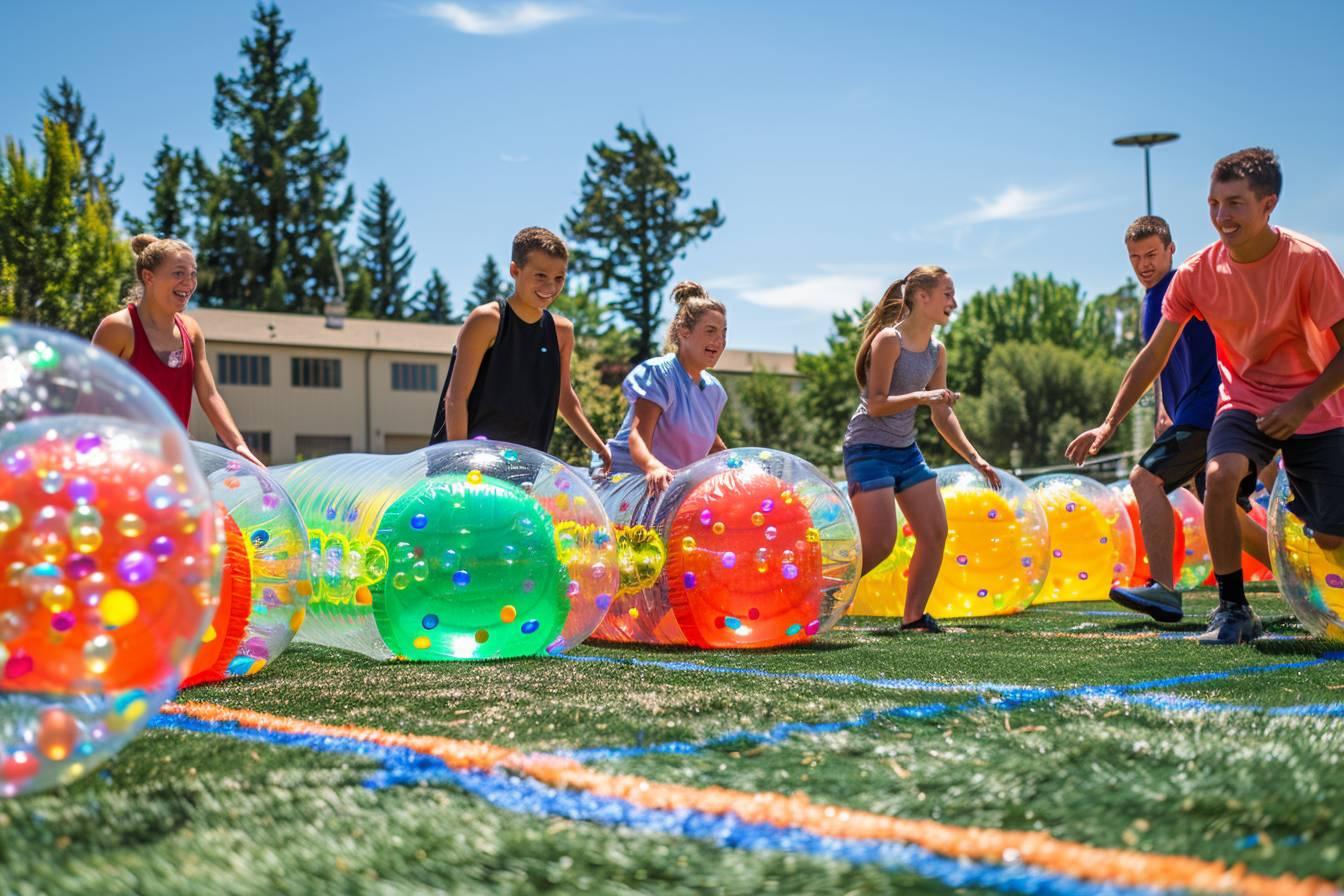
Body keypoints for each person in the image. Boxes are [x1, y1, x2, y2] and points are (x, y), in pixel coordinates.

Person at [1068, 148, 1344, 645]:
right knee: (1216, 479)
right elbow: (1153, 356)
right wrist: (1110, 423)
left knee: (1329, 535)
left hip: (1316, 406)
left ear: (1268, 204)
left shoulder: (1310, 261)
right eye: (1214, 203)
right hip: (1241, 401)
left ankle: (1305, 557)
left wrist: (1303, 404)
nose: (1222, 216)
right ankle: (1233, 609)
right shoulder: (1197, 274)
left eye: (1235, 203)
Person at [1108, 216, 1271, 622]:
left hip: (1210, 410)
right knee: (1225, 512)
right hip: (1190, 412)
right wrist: (1165, 408)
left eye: (1151, 254)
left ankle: (1163, 589)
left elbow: (1233, 321)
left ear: (1170, 250)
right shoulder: (1152, 298)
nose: (1143, 264)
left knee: (1145, 479)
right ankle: (1293, 572)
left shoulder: (1184, 287)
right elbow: (1164, 360)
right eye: (1134, 257)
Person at [844, 266, 1001, 633]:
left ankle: (913, 617)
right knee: (881, 543)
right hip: (867, 447)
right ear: (922, 297)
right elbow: (877, 404)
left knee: (934, 533)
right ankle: (822, 590)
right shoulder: (888, 340)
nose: (954, 303)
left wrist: (976, 458)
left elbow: (941, 414)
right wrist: (924, 395)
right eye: (948, 295)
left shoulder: (936, 351)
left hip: (905, 450)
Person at [429, 227, 610, 468]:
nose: (550, 286)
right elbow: (456, 398)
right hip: (465, 464)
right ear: (515, 270)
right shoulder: (487, 320)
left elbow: (565, 398)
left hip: (522, 466)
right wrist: (461, 463)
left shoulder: (562, 332)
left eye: (559, 278)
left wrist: (599, 448)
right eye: (540, 275)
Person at [92, 234, 265, 468]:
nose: (189, 282)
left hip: (171, 463)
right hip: (121, 461)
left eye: (193, 273)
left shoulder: (191, 331)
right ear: (148, 277)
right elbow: (88, 398)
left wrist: (238, 445)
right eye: (178, 273)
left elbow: (210, 395)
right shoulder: (119, 329)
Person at [604, 282, 729, 492]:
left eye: (724, 333)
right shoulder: (659, 374)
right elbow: (638, 437)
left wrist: (744, 470)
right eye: (711, 331)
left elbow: (713, 448)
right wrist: (653, 467)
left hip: (671, 491)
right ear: (684, 332)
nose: (719, 341)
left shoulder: (714, 391)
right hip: (629, 486)